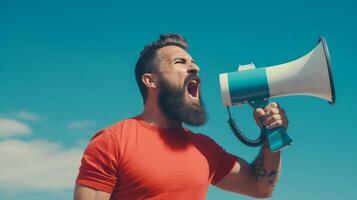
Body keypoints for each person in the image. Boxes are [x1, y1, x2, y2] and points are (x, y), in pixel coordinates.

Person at [73, 34, 289, 200]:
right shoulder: (113, 141)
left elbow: (261, 187)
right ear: (151, 81)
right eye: (180, 62)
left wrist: (270, 134)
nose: (195, 67)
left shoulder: (205, 148)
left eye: (193, 62)